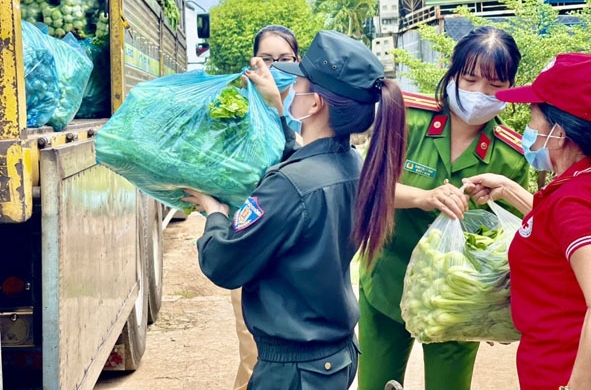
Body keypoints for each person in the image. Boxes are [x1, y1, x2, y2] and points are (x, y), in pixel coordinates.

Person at [182, 29, 407, 389]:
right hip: (334, 357)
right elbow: (300, 161)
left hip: (294, 372)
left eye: (298, 81)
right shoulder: (354, 166)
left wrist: (214, 213)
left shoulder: (290, 185)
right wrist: (277, 113)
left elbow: (223, 262)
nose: (291, 87)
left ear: (315, 103)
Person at [357, 25, 529, 390]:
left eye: (495, 86)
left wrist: (501, 302)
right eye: (469, 79)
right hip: (388, 277)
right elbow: (368, 187)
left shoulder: (511, 155)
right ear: (451, 73)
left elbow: (514, 243)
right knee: (376, 383)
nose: (480, 93)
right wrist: (423, 197)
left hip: (458, 298)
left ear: (511, 88)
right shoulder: (408, 118)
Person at [464, 53, 591, 390]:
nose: (527, 130)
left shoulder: (573, 202)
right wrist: (506, 189)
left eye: (533, 119)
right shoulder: (574, 184)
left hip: (560, 371)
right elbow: (552, 235)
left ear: (559, 133)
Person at [230, 24, 301, 390]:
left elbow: (307, 160)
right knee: (254, 347)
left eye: (285, 59)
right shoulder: (238, 108)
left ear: (298, 62)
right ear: (254, 62)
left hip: (303, 245)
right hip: (253, 239)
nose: (276, 67)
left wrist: (278, 106)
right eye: (267, 59)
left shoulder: (312, 106)